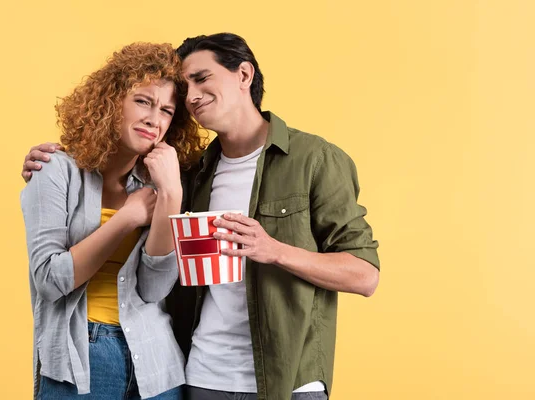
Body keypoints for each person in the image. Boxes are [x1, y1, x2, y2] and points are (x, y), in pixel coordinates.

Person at [23, 33, 380, 400]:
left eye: (201, 79)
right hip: (201, 376)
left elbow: (366, 275)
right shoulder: (191, 173)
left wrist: (273, 249)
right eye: (184, 87)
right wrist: (61, 167)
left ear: (244, 74)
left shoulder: (314, 160)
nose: (191, 96)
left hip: (287, 379)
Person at [20, 42, 205, 399]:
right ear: (110, 101)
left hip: (156, 360)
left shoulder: (160, 183)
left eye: (167, 110)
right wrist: (127, 217)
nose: (155, 119)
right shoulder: (55, 171)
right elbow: (49, 279)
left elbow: (153, 289)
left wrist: (171, 196)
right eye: (143, 101)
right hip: (81, 358)